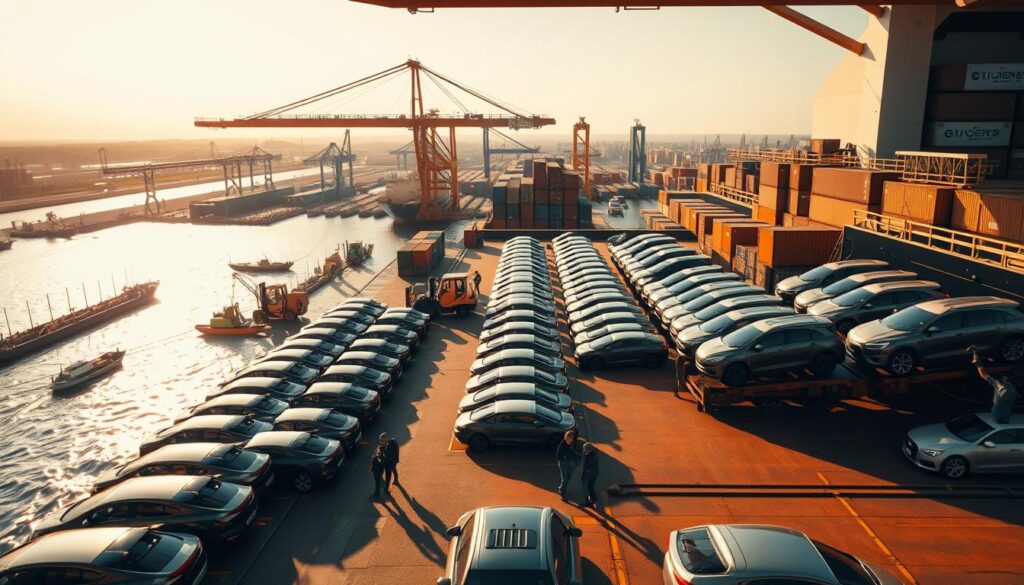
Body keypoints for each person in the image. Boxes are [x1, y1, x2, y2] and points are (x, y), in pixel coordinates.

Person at [972, 347, 1018, 424]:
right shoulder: (1000, 384)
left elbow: (983, 374)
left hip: (1000, 419)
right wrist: (976, 357)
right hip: (998, 416)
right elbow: (983, 374)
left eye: (1004, 379)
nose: (1003, 379)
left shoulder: (1007, 392)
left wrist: (977, 361)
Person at [555, 429, 580, 502]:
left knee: (569, 477)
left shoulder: (572, 443)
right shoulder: (562, 446)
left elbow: (572, 451)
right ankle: (562, 492)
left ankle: (562, 488)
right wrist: (566, 456)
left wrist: (576, 456)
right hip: (563, 462)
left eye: (572, 439)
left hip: (569, 462)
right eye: (570, 439)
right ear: (567, 438)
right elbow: (558, 456)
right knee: (565, 479)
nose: (572, 441)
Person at [580, 442, 600, 508]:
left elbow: (588, 466)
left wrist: (585, 474)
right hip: (592, 474)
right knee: (590, 487)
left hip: (591, 475)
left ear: (587, 449)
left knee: (589, 487)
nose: (583, 449)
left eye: (584, 448)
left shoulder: (590, 456)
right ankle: (592, 500)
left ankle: (591, 501)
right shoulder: (591, 454)